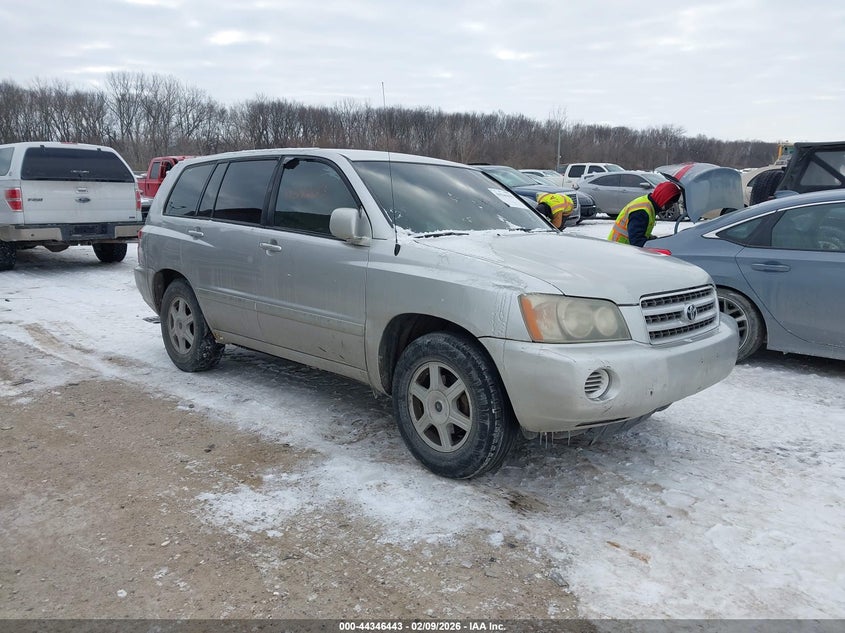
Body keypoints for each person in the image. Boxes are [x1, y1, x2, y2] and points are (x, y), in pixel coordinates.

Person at [607, 181, 682, 247]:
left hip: (623, 248)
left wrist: (655, 240)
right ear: (663, 198)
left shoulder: (649, 205)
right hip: (620, 248)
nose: (670, 206)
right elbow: (637, 242)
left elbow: (641, 234)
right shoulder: (642, 211)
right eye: (670, 203)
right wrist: (656, 245)